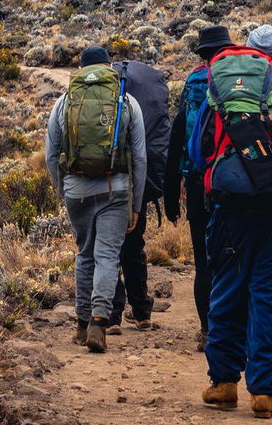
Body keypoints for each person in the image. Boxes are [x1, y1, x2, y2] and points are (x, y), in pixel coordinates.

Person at [188, 25, 272, 418]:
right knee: (268, 299)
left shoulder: (219, 100)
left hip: (228, 214)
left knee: (226, 294)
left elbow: (198, 156)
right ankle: (263, 392)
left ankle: (223, 383)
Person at [45, 46, 148, 354]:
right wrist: (136, 204)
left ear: (81, 69)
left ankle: (81, 323)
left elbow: (51, 155)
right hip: (115, 190)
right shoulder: (125, 101)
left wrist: (63, 190)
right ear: (109, 67)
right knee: (107, 256)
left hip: (76, 190)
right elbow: (140, 158)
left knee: (85, 254)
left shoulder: (65, 102)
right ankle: (99, 323)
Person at [162, 25, 235, 349]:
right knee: (232, 258)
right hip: (234, 183)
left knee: (203, 261)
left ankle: (207, 330)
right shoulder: (239, 84)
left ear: (203, 55)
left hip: (196, 184)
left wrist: (170, 200)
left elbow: (176, 143)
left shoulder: (193, 90)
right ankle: (230, 329)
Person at [108, 60, 171, 335]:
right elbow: (144, 154)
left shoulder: (101, 98)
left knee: (106, 250)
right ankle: (142, 311)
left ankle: (111, 315)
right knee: (133, 246)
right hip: (135, 182)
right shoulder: (136, 103)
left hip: (100, 181)